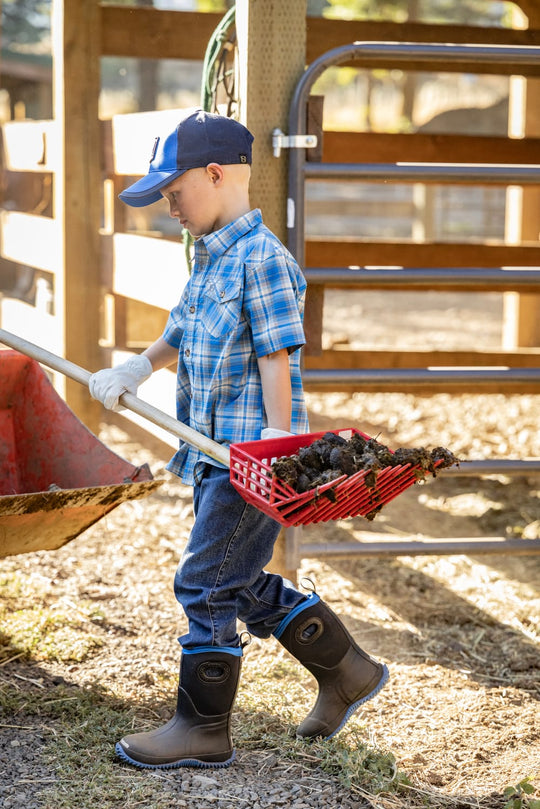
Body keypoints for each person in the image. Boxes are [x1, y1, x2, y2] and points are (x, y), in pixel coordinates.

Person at [89, 109, 388, 771]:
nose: (169, 207)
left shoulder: (263, 260)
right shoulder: (208, 259)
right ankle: (348, 671)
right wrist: (137, 366)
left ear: (216, 174)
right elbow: (181, 327)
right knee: (234, 580)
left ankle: (202, 728)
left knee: (203, 583)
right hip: (210, 453)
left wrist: (277, 447)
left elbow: (278, 352)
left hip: (250, 462)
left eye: (174, 192)